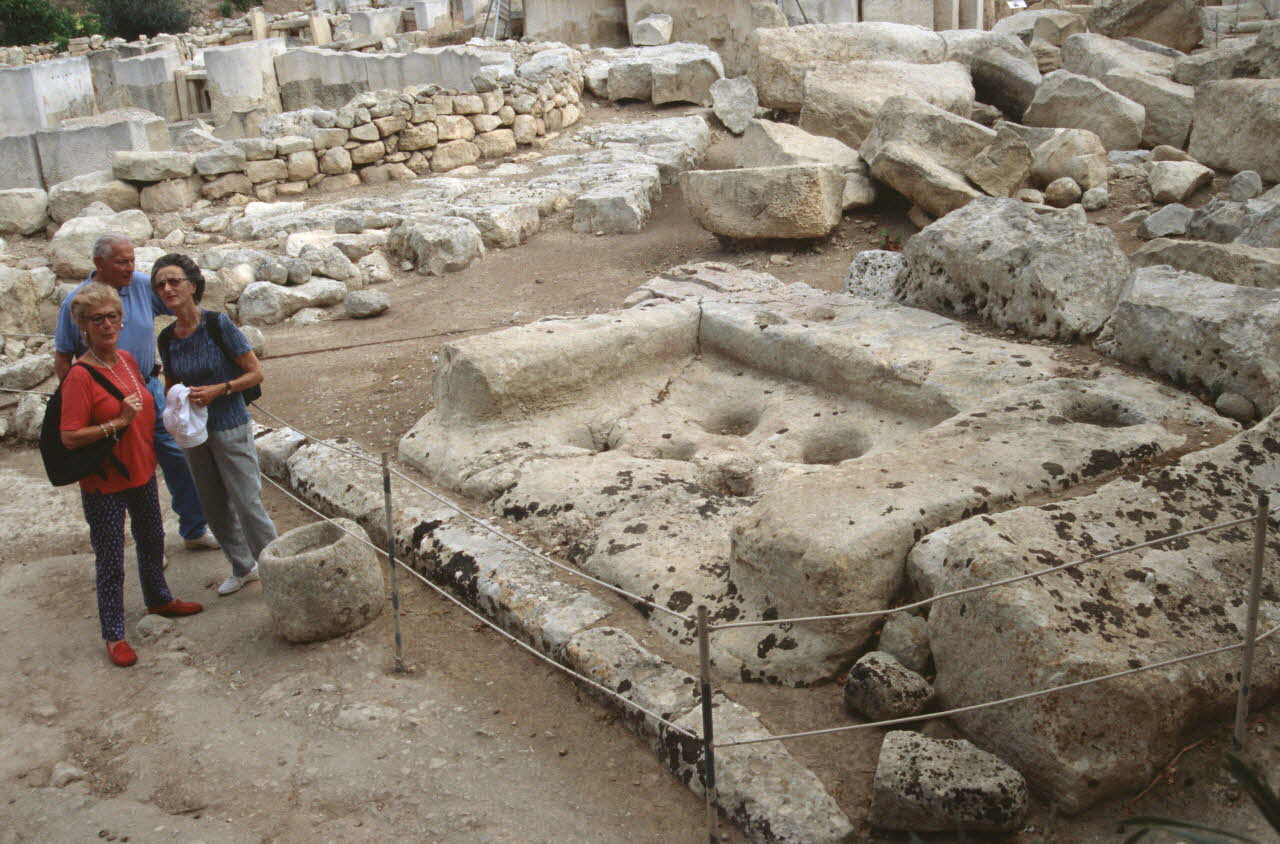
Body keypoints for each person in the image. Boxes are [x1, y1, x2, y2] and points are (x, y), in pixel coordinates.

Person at [60, 282, 203, 667]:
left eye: (113, 317)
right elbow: (70, 436)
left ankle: (158, 597)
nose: (107, 325)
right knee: (110, 558)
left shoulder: (124, 359)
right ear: (83, 326)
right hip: (105, 480)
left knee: (153, 537)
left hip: (140, 468)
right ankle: (114, 633)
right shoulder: (80, 377)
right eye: (97, 320)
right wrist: (117, 423)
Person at [54, 234, 220, 553]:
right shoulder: (76, 302)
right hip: (104, 401)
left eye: (132, 260)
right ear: (98, 264)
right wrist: (75, 401)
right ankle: (143, 545)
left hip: (148, 388)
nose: (130, 267)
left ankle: (194, 527)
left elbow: (180, 307)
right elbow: (63, 356)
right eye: (121, 262)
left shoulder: (143, 284)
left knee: (177, 456)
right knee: (125, 470)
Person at [153, 254, 278, 596]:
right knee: (212, 503)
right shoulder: (167, 338)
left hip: (229, 423)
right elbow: (172, 383)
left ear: (192, 286)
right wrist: (176, 404)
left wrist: (219, 389)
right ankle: (242, 567)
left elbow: (255, 372)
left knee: (247, 501)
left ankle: (277, 567)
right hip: (195, 432)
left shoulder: (217, 324)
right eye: (160, 284)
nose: (167, 288)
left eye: (174, 281)